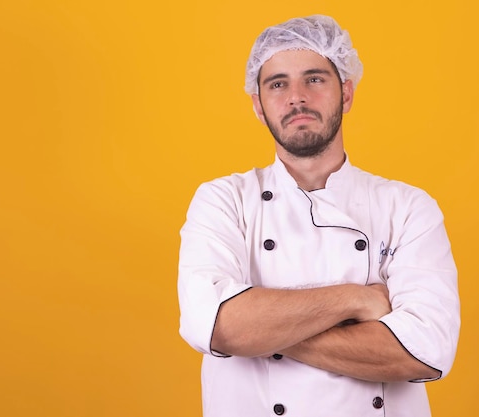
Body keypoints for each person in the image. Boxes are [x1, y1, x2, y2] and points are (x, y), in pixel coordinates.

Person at [177, 14, 460, 417]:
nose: (296, 97)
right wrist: (357, 300)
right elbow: (217, 325)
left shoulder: (409, 208)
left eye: (314, 79)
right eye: (278, 84)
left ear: (345, 93)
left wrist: (256, 331)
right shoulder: (223, 200)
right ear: (258, 105)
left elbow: (424, 352)